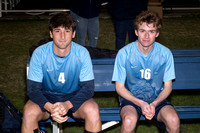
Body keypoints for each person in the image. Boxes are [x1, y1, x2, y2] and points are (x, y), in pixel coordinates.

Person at [21, 12, 102, 133]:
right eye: (58, 31)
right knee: (29, 112)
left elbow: (88, 89)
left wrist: (67, 105)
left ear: (74, 34)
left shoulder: (82, 53)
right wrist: (50, 107)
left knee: (93, 110)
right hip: (46, 97)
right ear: (51, 33)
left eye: (67, 31)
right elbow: (33, 89)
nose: (63, 36)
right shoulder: (40, 54)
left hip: (74, 97)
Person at [112, 11, 180, 133]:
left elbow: (168, 86)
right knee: (128, 121)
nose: (146, 36)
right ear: (136, 32)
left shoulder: (165, 54)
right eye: (143, 31)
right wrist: (141, 103)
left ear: (157, 33)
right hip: (131, 99)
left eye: (151, 31)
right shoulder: (124, 54)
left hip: (157, 98)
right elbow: (119, 87)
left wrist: (154, 104)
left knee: (173, 120)